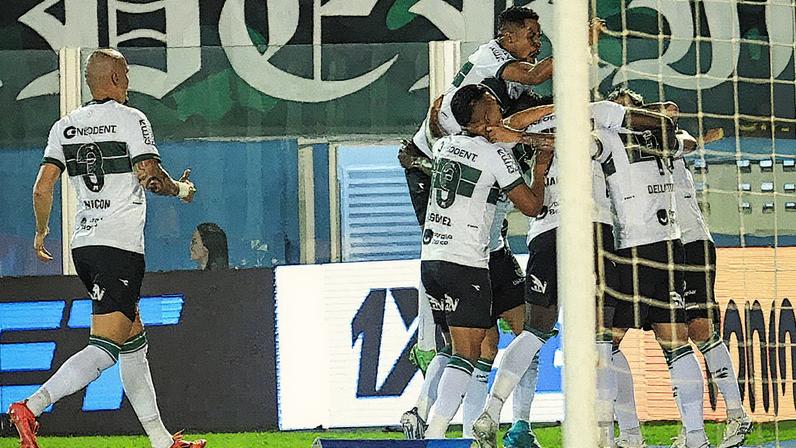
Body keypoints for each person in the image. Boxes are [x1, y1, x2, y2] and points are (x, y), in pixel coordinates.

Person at [8, 48, 205, 448]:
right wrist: (181, 190)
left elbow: (42, 188)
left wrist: (41, 232)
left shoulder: (64, 126)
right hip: (119, 247)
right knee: (104, 349)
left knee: (133, 340)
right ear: (115, 77)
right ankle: (31, 406)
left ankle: (161, 440)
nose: (129, 80)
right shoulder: (132, 119)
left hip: (85, 246)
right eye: (126, 73)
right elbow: (150, 177)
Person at [472, 99, 628, 448]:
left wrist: (526, 134)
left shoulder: (526, 128)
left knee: (534, 332)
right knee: (601, 338)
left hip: (546, 233)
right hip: (591, 229)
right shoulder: (596, 112)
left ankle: (491, 412)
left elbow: (508, 128)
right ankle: (603, 435)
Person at [607, 88, 751, 448]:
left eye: (626, 110)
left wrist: (639, 114)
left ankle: (734, 416)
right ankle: (693, 429)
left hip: (688, 241)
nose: (621, 117)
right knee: (675, 336)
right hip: (664, 243)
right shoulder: (617, 147)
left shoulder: (663, 134)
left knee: (698, 331)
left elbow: (677, 122)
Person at [418, 84, 554, 440]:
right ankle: (435, 433)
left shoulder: (445, 145)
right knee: (469, 353)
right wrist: (540, 169)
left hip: (431, 261)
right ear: (485, 114)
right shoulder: (494, 155)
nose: (500, 108)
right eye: (494, 104)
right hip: (466, 263)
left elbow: (445, 129)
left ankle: (431, 420)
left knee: (464, 349)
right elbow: (532, 206)